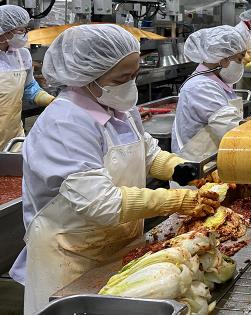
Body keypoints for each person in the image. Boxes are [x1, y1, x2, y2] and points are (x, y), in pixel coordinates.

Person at [10, 24, 220, 314]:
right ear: (87, 76)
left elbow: (146, 152)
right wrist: (178, 200)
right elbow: (101, 203)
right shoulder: (65, 123)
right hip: (70, 258)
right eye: (122, 78)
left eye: (135, 76)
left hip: (118, 245)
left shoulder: (119, 107)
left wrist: (178, 168)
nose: (130, 85)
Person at [172, 26, 247, 160]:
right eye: (239, 59)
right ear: (223, 60)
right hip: (198, 164)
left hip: (211, 157)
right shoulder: (201, 87)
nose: (241, 64)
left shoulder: (216, 81)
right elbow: (230, 126)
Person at [0, 5, 55, 150]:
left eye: (26, 29)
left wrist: (51, 100)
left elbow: (29, 87)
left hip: (13, 139)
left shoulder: (22, 55)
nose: (25, 34)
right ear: (4, 31)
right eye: (21, 30)